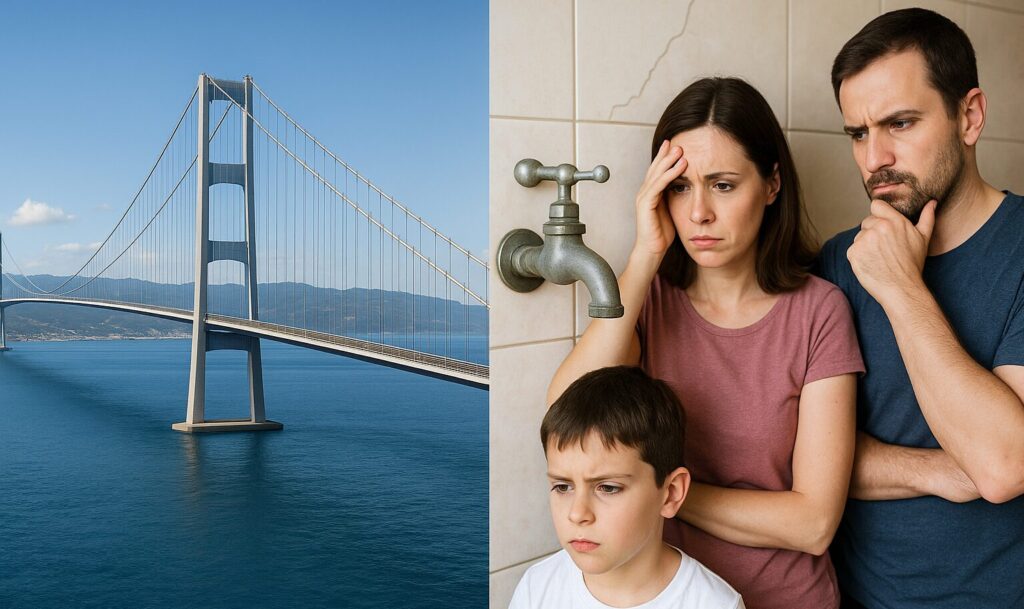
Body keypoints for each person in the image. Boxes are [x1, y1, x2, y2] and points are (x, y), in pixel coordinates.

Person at [547, 77, 864, 609]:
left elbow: (813, 524)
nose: (698, 214)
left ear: (771, 185)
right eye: (679, 187)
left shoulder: (819, 311)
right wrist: (646, 254)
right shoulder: (648, 302)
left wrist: (661, 496)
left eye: (722, 184)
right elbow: (568, 419)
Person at [818, 8, 1024, 609]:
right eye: (858, 133)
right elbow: (800, 459)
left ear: (970, 115)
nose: (874, 156)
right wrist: (939, 470)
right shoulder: (837, 263)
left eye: (899, 123)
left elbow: (1002, 464)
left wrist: (902, 290)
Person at [511, 366, 743, 609]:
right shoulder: (536, 588)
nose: (577, 514)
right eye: (562, 487)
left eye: (608, 488)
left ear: (671, 493)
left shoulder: (715, 604)